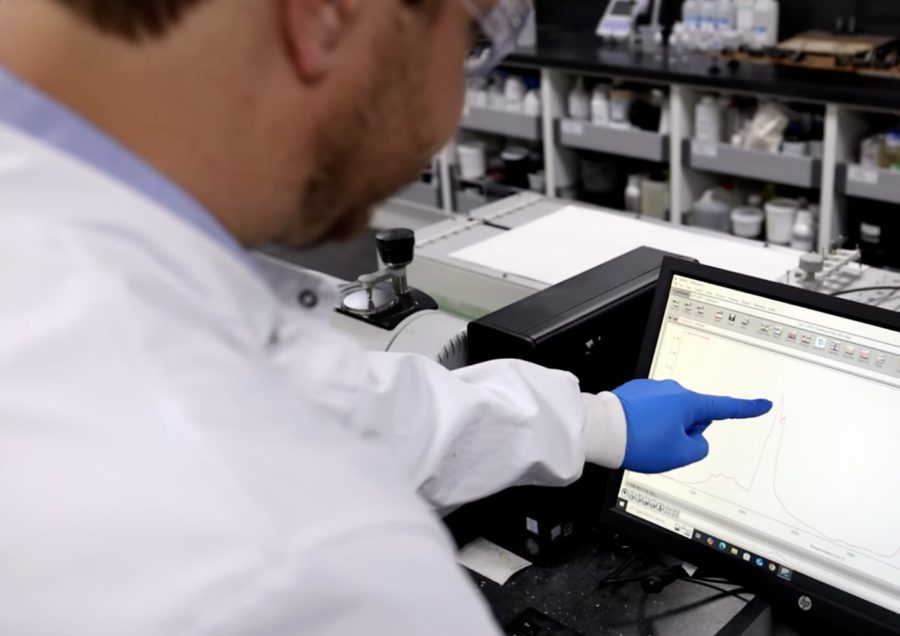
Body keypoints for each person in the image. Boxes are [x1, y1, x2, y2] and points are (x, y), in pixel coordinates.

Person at [0, 0, 772, 633]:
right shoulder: (297, 569)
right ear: (327, 17)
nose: (452, 109)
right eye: (472, 41)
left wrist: (599, 423)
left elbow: (318, 401)